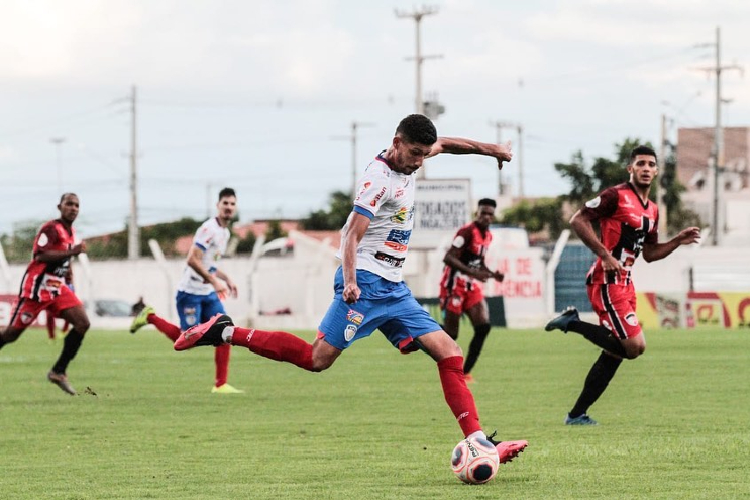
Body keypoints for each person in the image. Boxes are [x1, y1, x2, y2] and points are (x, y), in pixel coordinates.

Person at [173, 114, 528, 462]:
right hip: (365, 285)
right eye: (415, 153)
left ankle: (479, 441)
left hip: (393, 288)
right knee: (317, 359)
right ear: (396, 143)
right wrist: (352, 282)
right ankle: (227, 331)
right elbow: (350, 235)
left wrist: (492, 149)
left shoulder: (412, 158)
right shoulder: (379, 181)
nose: (420, 161)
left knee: (450, 353)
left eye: (424, 154)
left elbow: (448, 143)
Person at [545, 145, 701, 425]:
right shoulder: (615, 196)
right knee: (634, 346)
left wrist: (677, 240)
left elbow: (650, 254)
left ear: (656, 171)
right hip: (606, 281)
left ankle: (576, 414)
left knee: (616, 352)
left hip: (626, 283)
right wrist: (604, 254)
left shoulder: (652, 210)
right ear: (630, 168)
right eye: (640, 163)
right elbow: (577, 219)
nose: (645, 168)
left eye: (650, 164)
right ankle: (573, 323)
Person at [129, 187, 243, 394]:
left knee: (227, 331)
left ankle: (221, 385)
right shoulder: (208, 229)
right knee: (186, 340)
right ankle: (149, 316)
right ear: (217, 206)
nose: (228, 207)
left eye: (232, 204)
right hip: (190, 293)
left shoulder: (224, 233)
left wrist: (227, 279)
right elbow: (191, 259)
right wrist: (214, 282)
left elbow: (210, 263)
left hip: (207, 293)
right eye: (225, 203)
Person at [0, 193, 91, 395]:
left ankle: (58, 372)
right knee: (10, 335)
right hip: (36, 289)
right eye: (69, 204)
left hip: (57, 288)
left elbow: (65, 260)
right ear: (60, 207)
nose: (73, 208)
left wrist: (69, 277)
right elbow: (41, 255)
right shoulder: (51, 228)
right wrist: (72, 252)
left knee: (83, 323)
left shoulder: (72, 233)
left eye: (77, 205)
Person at [439, 198, 504, 383]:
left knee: (483, 327)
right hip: (455, 284)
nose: (486, 217)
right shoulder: (467, 232)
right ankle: (418, 334)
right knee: (451, 334)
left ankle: (465, 372)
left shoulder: (488, 235)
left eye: (490, 214)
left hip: (471, 286)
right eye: (483, 213)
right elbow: (448, 257)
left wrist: (492, 274)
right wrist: (472, 273)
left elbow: (478, 262)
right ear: (477, 213)